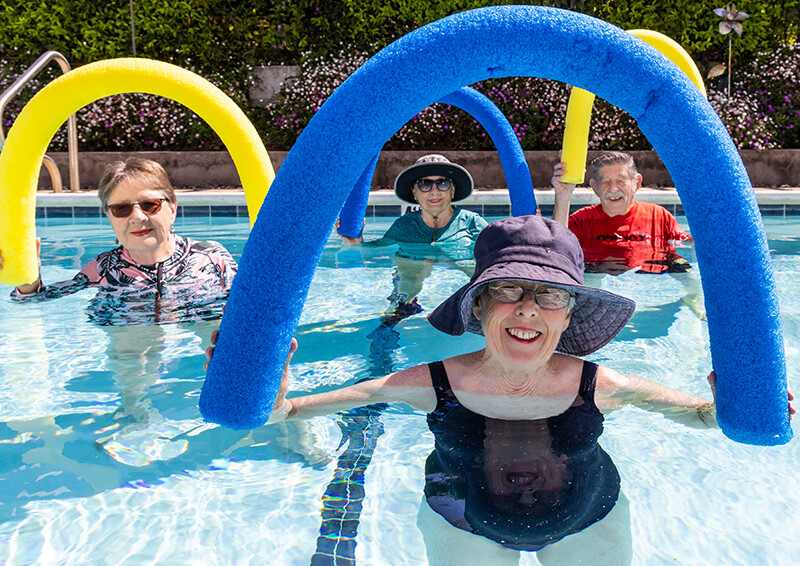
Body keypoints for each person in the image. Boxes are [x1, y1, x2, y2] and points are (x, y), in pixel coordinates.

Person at [210, 216, 790, 563]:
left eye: (550, 296)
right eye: (510, 290)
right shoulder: (429, 382)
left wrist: (732, 406)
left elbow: (697, 417)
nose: (529, 310)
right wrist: (268, 388)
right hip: (463, 522)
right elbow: (285, 412)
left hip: (588, 519)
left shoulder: (598, 382)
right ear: (480, 306)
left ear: (569, 316)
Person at [0, 157, 237, 324]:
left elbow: (256, 302)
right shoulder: (103, 268)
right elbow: (33, 304)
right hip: (129, 354)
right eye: (121, 209)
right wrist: (28, 277)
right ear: (109, 218)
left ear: (172, 209)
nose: (137, 217)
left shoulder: (211, 257)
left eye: (150, 205)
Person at [338, 154, 488, 324]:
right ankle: (402, 311)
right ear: (414, 193)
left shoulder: (472, 224)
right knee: (399, 297)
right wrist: (355, 243)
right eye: (424, 183)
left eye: (443, 183)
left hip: (464, 297)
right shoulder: (404, 226)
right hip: (411, 284)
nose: (434, 190)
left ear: (453, 190)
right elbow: (375, 250)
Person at [551, 151, 692, 275]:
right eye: (605, 182)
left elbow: (690, 246)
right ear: (595, 187)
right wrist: (563, 195)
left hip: (650, 287)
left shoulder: (659, 216)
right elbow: (554, 253)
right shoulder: (581, 221)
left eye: (621, 181)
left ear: (636, 183)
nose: (613, 189)